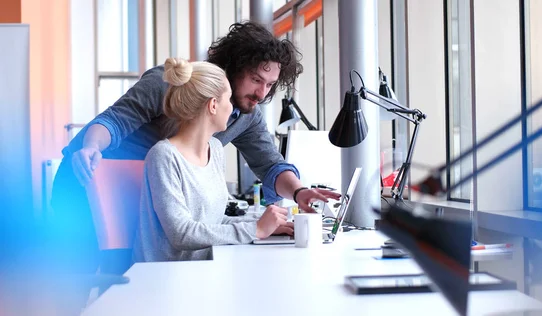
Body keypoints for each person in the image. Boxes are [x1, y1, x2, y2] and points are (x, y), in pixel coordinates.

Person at [50, 21, 339, 272]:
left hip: (146, 198)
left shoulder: (243, 115)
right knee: (80, 275)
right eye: (255, 80)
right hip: (89, 177)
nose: (262, 94)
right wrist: (91, 148)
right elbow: (114, 121)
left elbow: (270, 163)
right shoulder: (171, 85)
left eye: (270, 85)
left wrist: (300, 191)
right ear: (232, 70)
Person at [133, 58, 291, 262]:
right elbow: (181, 233)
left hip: (204, 269)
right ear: (213, 105)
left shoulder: (215, 149)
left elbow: (214, 221)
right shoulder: (163, 156)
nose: (232, 108)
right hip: (166, 277)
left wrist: (266, 224)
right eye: (229, 99)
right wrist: (255, 229)